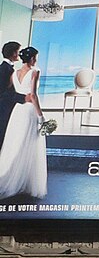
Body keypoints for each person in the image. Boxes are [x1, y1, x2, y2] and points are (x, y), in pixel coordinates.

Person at [0, 47, 47, 199]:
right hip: (28, 111)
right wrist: (40, 115)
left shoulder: (14, 73)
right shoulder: (35, 71)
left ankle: (13, 178)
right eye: (35, 57)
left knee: (15, 143)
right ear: (32, 58)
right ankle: (25, 182)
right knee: (30, 143)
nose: (36, 60)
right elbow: (33, 95)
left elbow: (11, 91)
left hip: (17, 111)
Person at [0, 41, 29, 152]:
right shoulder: (4, 69)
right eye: (18, 51)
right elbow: (3, 92)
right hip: (3, 109)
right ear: (13, 53)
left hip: (9, 107)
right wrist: (23, 98)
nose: (20, 54)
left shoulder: (9, 68)